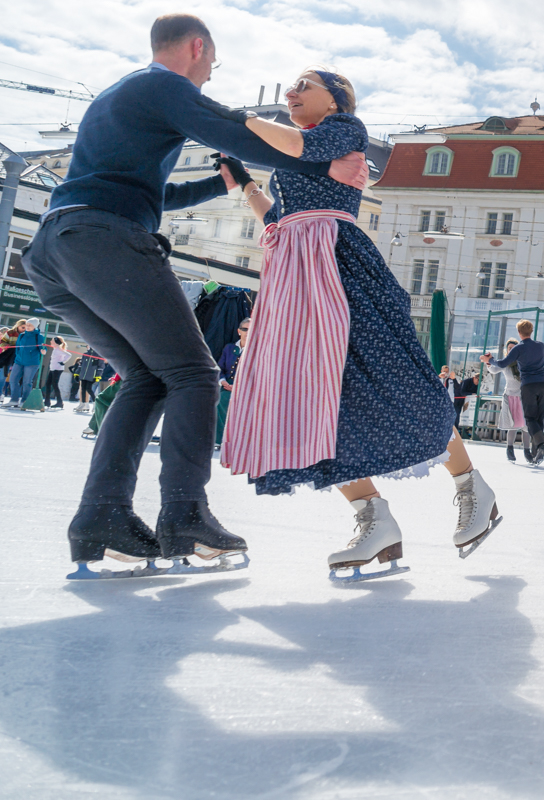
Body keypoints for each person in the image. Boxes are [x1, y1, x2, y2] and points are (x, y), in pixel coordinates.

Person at [23, 14, 370, 570]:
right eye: (212, 63)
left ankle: (101, 518)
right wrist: (324, 162)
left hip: (55, 249)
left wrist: (221, 183)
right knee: (195, 374)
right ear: (196, 47)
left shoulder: (120, 95)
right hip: (105, 239)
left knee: (147, 378)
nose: (210, 74)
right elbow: (231, 131)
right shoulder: (165, 85)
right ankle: (184, 514)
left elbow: (153, 196)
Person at [220, 65, 499, 575]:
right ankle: (373, 519)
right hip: (296, 278)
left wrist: (238, 120)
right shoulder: (294, 151)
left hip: (341, 265)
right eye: (291, 86)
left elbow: (298, 148)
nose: (291, 92)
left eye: (304, 86)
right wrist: (244, 184)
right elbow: (279, 220)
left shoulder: (344, 129)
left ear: (335, 99)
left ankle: (471, 487)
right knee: (311, 402)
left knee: (399, 380)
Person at [482, 319, 544, 465]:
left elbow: (501, 363)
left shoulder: (518, 348)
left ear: (519, 332)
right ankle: (536, 453)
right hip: (543, 384)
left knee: (530, 419)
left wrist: (490, 359)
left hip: (529, 385)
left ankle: (541, 447)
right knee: (538, 418)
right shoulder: (539, 345)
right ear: (532, 331)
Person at [484, 339, 527, 462]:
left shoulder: (523, 362)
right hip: (510, 395)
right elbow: (493, 370)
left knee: (526, 425)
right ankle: (510, 449)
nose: (511, 350)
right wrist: (488, 362)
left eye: (514, 348)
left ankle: (527, 451)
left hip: (523, 396)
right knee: (512, 424)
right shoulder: (505, 363)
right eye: (509, 348)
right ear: (507, 351)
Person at [214, 317, 249, 447]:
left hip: (246, 386)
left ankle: (231, 439)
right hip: (227, 384)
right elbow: (220, 368)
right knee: (217, 398)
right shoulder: (229, 348)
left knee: (226, 399)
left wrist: (239, 386)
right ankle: (218, 439)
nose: (247, 332)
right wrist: (223, 381)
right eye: (245, 329)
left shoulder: (255, 350)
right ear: (239, 331)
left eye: (251, 330)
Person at [7, 317, 46, 408]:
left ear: (35, 326)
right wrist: (17, 356)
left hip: (32, 363)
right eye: (26, 325)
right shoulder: (22, 335)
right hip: (19, 361)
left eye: (30, 325)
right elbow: (18, 347)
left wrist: (43, 351)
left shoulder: (39, 336)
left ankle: (24, 400)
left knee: (27, 382)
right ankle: (14, 400)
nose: (27, 327)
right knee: (13, 379)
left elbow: (43, 348)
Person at [43, 336, 70, 409]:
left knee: (55, 385)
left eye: (52, 340)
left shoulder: (59, 349)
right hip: (53, 369)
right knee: (48, 384)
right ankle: (47, 401)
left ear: (55, 342)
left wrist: (63, 362)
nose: (50, 342)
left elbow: (68, 355)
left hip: (57, 369)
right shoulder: (55, 349)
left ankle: (59, 402)